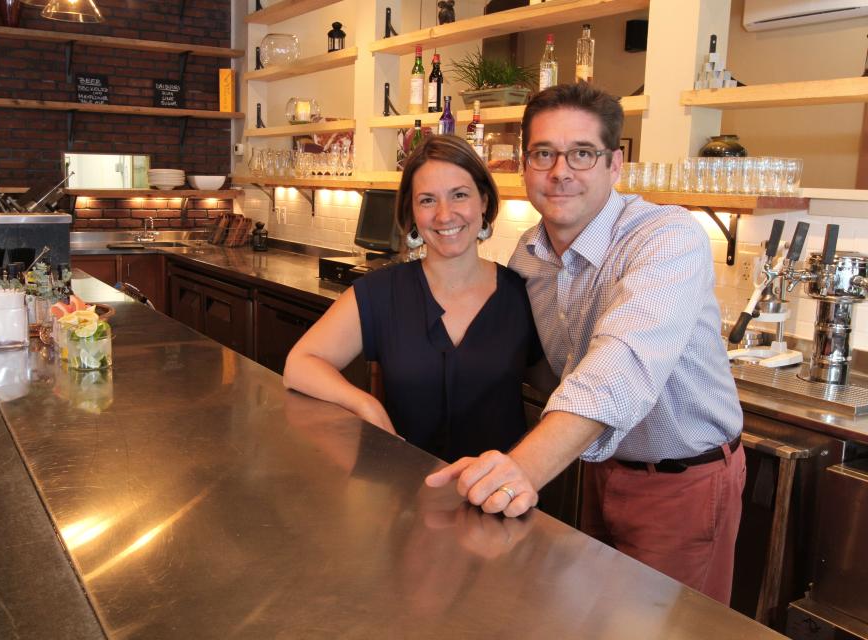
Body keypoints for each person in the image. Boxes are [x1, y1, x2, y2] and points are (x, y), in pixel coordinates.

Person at [425, 83, 746, 605]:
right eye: (543, 153)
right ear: (524, 164)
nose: (560, 171)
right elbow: (537, 365)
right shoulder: (528, 256)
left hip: (682, 485)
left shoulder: (667, 237)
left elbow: (620, 365)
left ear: (614, 165)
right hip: (596, 469)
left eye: (582, 153)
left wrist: (522, 467)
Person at [283, 135, 542, 463]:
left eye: (459, 195)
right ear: (412, 212)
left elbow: (557, 382)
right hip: (405, 491)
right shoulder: (380, 292)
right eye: (427, 200)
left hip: (500, 498)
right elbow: (300, 364)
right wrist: (365, 404)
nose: (445, 215)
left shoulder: (523, 294)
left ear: (485, 202)